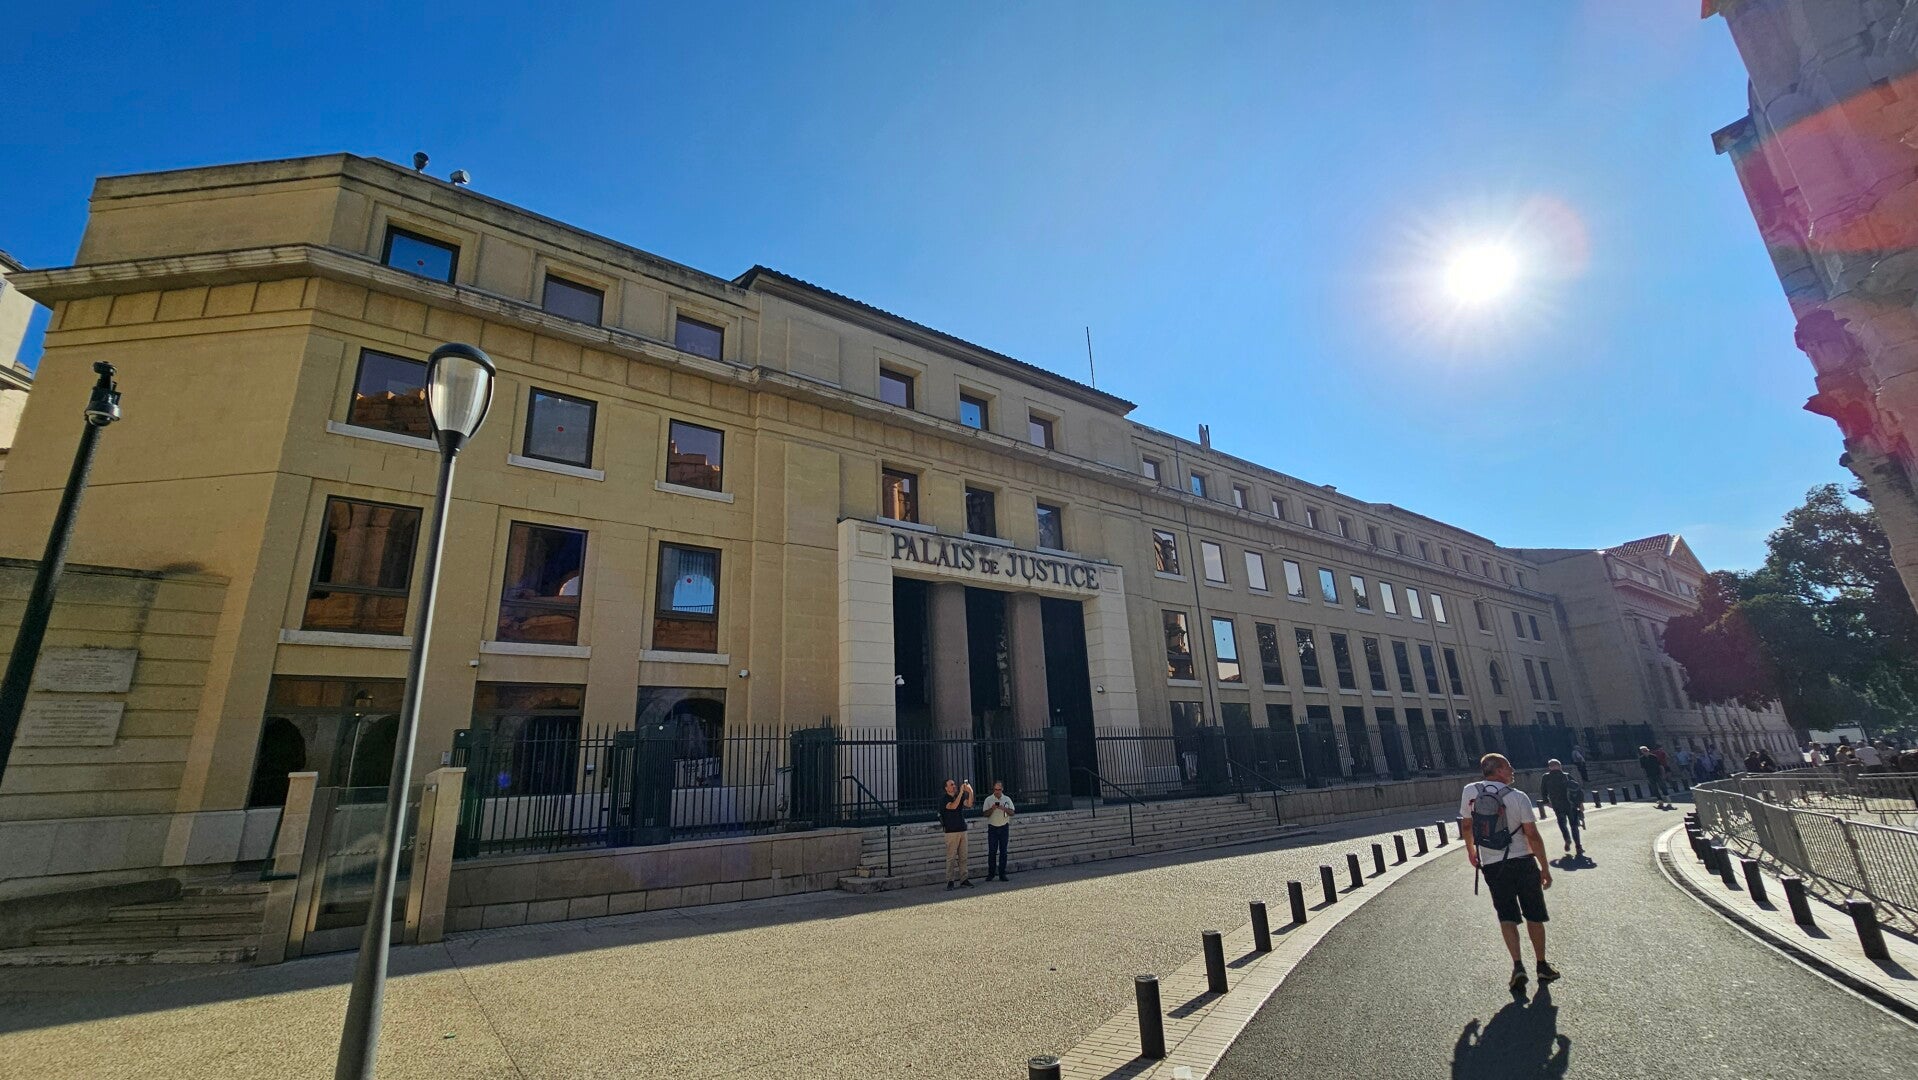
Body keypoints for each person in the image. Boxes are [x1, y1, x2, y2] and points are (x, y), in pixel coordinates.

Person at [1461, 753, 1559, 991]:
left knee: (1506, 915)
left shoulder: (1470, 792)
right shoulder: (1518, 796)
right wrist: (1544, 867)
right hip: (1523, 861)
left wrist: (1471, 851)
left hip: (1493, 865)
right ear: (1498, 770)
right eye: (1508, 766)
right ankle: (1542, 965)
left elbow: (1466, 825)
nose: (1513, 770)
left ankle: (1517, 965)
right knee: (1534, 914)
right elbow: (1532, 834)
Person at [1537, 758, 1585, 859]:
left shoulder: (1546, 777)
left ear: (1549, 767)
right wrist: (1580, 803)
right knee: (1574, 826)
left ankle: (1567, 839)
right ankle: (1578, 846)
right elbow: (1577, 789)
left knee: (1562, 824)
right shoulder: (1566, 776)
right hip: (1570, 805)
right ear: (1560, 766)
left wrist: (1546, 802)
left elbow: (1543, 790)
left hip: (1557, 805)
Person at [939, 779, 974, 890]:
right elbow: (953, 806)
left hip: (962, 829)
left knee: (963, 857)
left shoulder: (958, 796)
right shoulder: (944, 799)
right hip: (951, 832)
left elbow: (969, 804)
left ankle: (964, 879)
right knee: (951, 858)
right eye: (951, 785)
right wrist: (961, 793)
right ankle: (950, 881)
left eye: (954, 784)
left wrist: (970, 792)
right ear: (946, 788)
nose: (954, 786)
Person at [980, 781, 1015, 882]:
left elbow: (1012, 812)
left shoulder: (1007, 799)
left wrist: (1004, 808)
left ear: (1002, 789)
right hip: (993, 828)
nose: (997, 791)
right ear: (993, 790)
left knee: (1003, 851)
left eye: (999, 789)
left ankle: (1002, 873)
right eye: (995, 789)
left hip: (1004, 827)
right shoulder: (988, 799)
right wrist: (992, 809)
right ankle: (991, 873)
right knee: (992, 851)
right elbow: (985, 814)